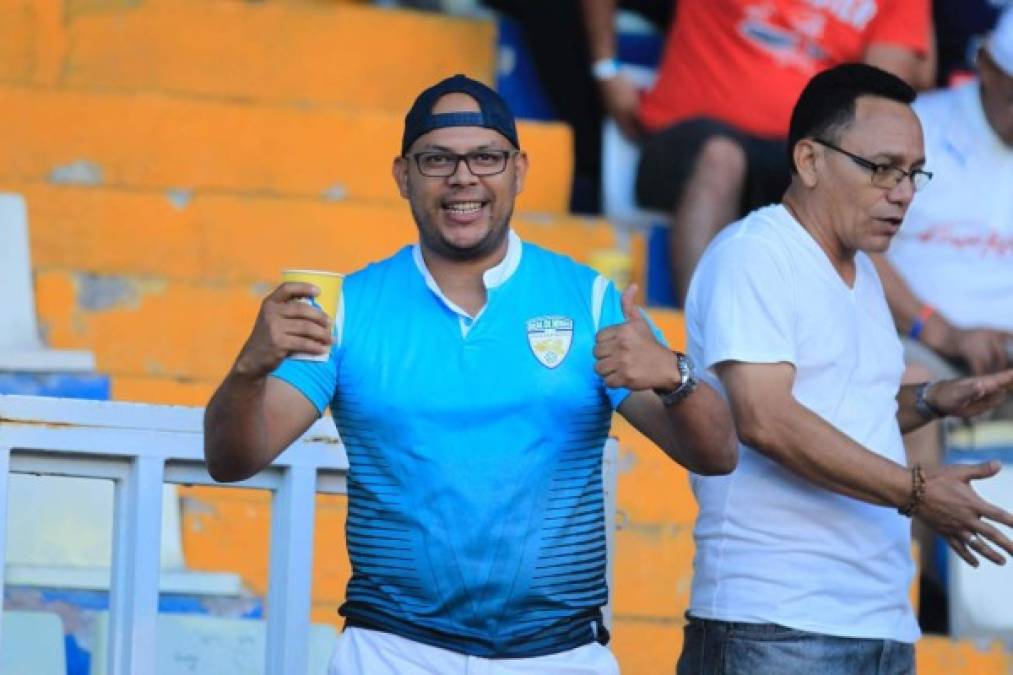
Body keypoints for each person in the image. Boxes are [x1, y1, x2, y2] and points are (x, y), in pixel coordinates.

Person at [204, 74, 737, 674]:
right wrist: (248, 369)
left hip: (560, 654)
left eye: (486, 157)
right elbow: (233, 459)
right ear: (403, 175)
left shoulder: (588, 299)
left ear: (519, 170)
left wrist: (674, 375)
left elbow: (717, 453)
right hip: (391, 651)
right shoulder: (348, 306)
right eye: (438, 160)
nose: (464, 178)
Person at [682, 63, 1013, 674]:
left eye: (914, 173)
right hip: (773, 627)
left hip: (875, 622)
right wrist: (917, 492)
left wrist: (934, 399)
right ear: (809, 161)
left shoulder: (860, 274)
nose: (904, 191)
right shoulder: (756, 254)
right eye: (882, 168)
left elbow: (840, 409)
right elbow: (766, 419)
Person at [583, 0, 934, 304]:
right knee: (721, 156)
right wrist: (605, 69)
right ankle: (703, 345)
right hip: (684, 140)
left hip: (797, 152)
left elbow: (883, 94)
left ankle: (905, 333)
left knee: (848, 176)